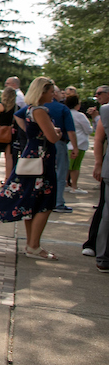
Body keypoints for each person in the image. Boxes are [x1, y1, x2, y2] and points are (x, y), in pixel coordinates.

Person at [0, 77, 61, 260]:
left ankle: (31, 244)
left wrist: (34, 134)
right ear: (42, 92)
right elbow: (52, 138)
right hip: (42, 160)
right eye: (51, 91)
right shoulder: (40, 110)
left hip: (32, 156)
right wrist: (57, 132)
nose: (54, 94)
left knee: (31, 201)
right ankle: (34, 246)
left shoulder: (30, 110)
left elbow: (22, 120)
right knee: (45, 203)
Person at [86, 86, 109, 260]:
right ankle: (95, 247)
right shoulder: (105, 111)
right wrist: (99, 164)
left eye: (100, 93)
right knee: (104, 208)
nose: (97, 96)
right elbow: (99, 139)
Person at [0, 87, 18, 188]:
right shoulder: (15, 107)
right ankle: (7, 179)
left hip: (0, 133)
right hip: (10, 134)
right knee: (8, 157)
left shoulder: (0, 106)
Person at [68, 92, 92, 194]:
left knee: (67, 166)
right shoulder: (80, 115)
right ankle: (74, 186)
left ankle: (65, 184)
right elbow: (89, 130)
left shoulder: (66, 113)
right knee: (75, 167)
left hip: (67, 143)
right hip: (79, 143)